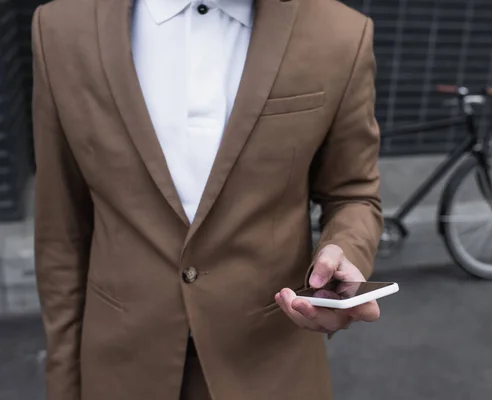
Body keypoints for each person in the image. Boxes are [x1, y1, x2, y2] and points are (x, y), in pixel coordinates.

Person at [32, 0, 383, 398]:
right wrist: (63, 383)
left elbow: (352, 192)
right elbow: (61, 230)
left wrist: (344, 249)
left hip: (271, 365)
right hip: (120, 367)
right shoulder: (60, 27)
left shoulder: (339, 32)